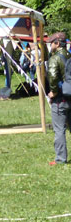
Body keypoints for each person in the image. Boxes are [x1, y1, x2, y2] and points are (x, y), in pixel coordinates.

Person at [47, 32, 71, 166]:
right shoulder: (70, 56)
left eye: (51, 43)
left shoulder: (55, 58)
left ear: (57, 44)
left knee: (59, 129)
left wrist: (54, 92)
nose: (50, 45)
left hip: (60, 98)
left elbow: (52, 76)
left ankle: (61, 159)